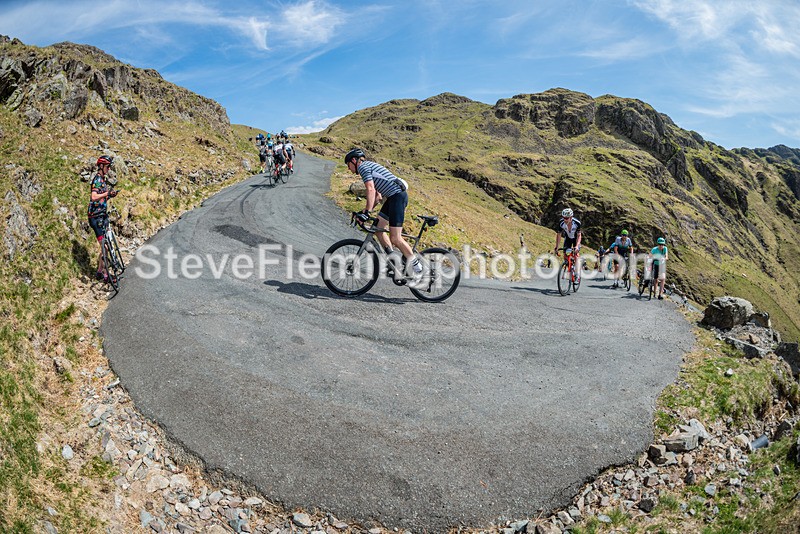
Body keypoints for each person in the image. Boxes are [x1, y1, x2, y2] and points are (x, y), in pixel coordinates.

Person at [344, 148, 421, 279]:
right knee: (379, 230)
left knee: (395, 238)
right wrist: (365, 211)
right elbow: (378, 196)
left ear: (354, 160)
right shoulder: (368, 167)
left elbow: (370, 189)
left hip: (397, 197)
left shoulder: (363, 167)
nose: (349, 169)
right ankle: (393, 262)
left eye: (348, 165)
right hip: (392, 198)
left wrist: (367, 212)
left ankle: (418, 269)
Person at [88, 155, 118, 281]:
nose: (109, 168)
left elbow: (102, 197)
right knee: (105, 247)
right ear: (101, 166)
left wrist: (110, 195)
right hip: (95, 217)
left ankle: (99, 271)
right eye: (107, 166)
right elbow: (94, 197)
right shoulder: (97, 180)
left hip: (102, 214)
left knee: (105, 244)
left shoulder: (103, 179)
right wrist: (106, 193)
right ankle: (106, 276)